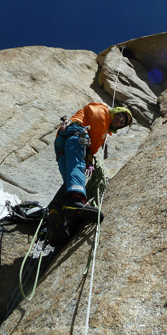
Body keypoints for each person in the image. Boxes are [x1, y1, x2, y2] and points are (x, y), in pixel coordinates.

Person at [48, 102, 132, 245]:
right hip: (77, 135)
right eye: (119, 115)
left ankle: (56, 213)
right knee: (78, 166)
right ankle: (76, 201)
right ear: (115, 111)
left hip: (63, 142)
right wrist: (90, 153)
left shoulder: (106, 126)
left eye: (122, 122)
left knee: (71, 177)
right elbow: (97, 122)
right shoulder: (103, 111)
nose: (119, 120)